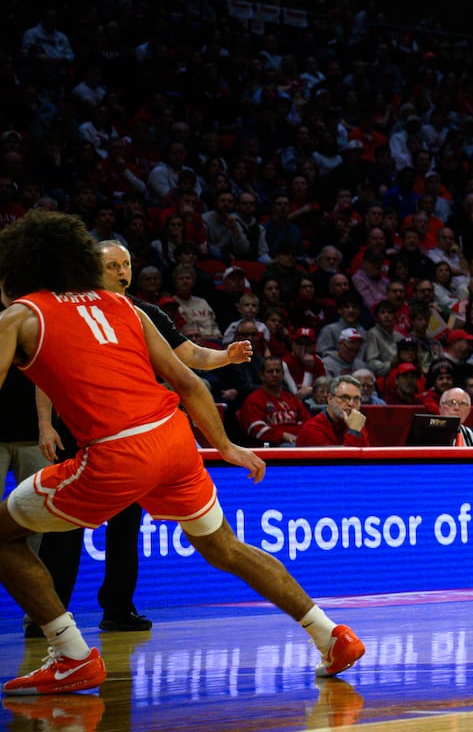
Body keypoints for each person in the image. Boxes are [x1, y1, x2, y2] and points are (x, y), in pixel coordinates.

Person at [0, 211, 363, 694]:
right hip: (174, 440)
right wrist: (226, 445)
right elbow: (188, 380)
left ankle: (70, 653)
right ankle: (330, 635)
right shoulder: (124, 307)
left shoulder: (20, 315)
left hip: (114, 453)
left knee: (2, 536)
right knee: (226, 548)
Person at [32, 240, 256, 637]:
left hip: (133, 438)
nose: (122, 272)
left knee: (125, 529)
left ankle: (118, 609)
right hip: (80, 433)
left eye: (126, 264)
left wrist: (226, 356)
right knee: (62, 530)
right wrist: (46, 424)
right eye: (112, 266)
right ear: (91, 270)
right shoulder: (64, 313)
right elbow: (46, 375)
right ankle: (50, 615)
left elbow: (189, 357)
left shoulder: (143, 313)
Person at [237, 357, 310, 447]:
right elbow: (255, 429)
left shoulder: (291, 398)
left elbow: (308, 422)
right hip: (273, 446)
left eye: (278, 371)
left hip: (298, 440)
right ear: (261, 375)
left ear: (283, 375)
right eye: (270, 371)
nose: (275, 375)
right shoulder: (254, 400)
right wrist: (283, 435)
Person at [296, 375, 370, 448]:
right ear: (330, 399)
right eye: (344, 397)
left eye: (356, 399)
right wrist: (353, 431)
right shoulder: (312, 430)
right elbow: (345, 459)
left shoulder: (356, 424)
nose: (351, 404)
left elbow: (368, 458)